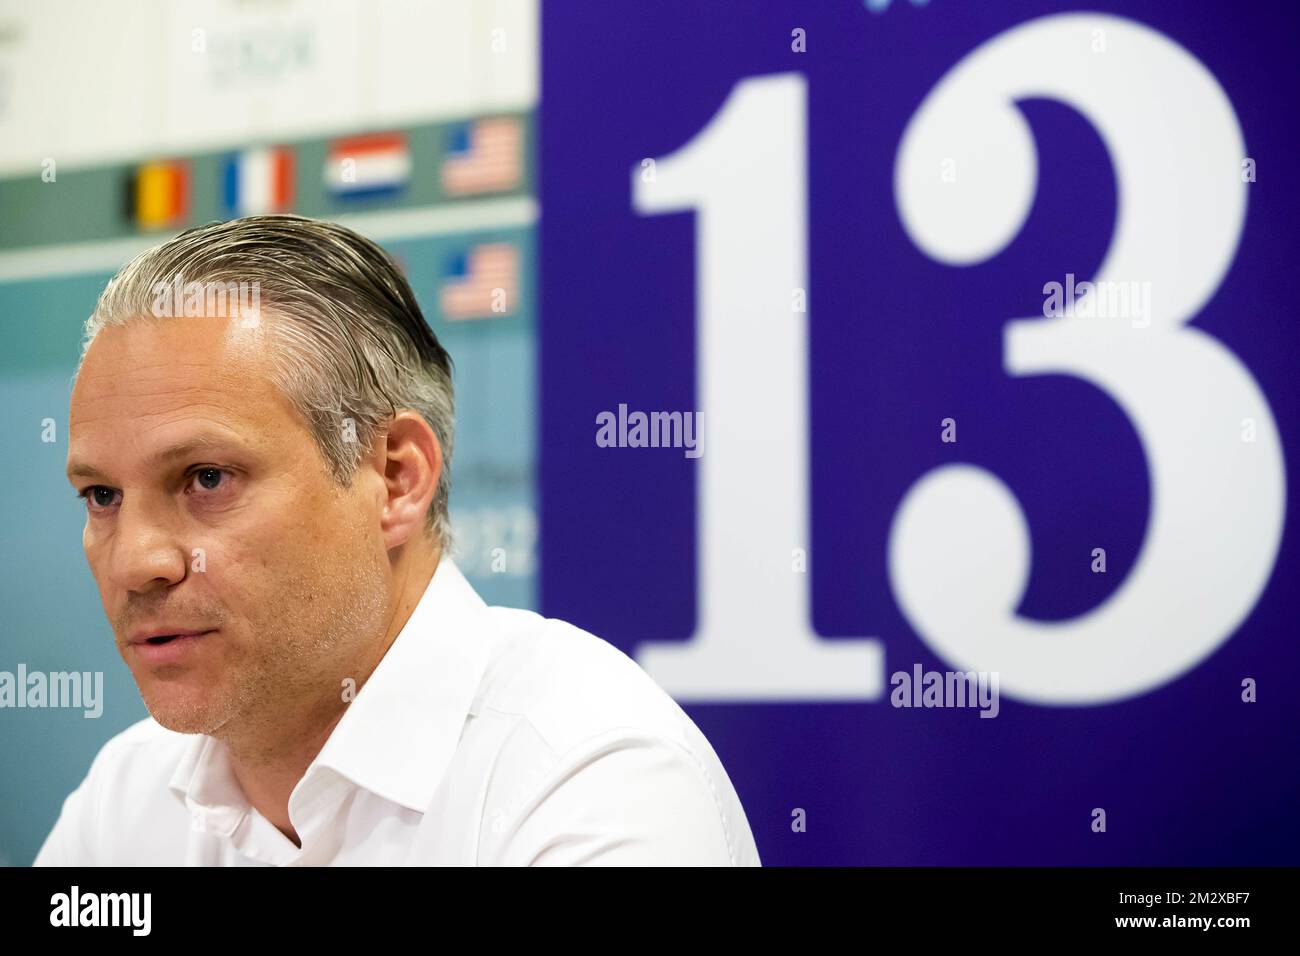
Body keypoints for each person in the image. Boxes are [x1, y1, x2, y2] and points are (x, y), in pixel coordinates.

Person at [36, 215, 760, 866]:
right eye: (102, 496)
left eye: (206, 478)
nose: (136, 562)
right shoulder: (125, 797)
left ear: (395, 478)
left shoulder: (590, 778)